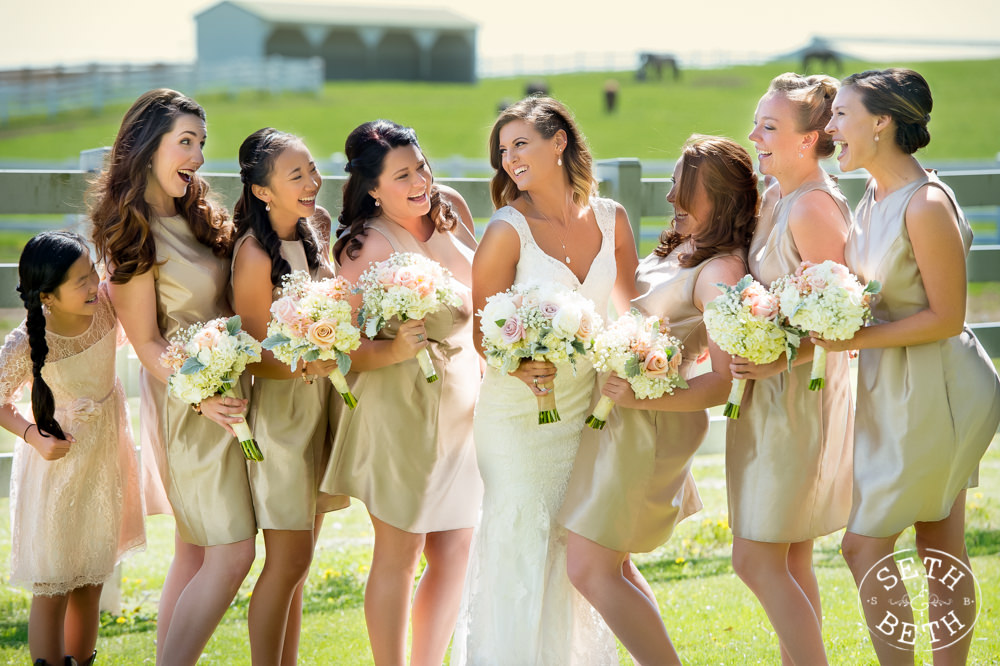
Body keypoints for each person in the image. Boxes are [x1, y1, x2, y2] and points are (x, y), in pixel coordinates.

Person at [820, 68, 1000, 664]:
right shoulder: (872, 196)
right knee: (939, 541)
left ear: (882, 122)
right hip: (896, 387)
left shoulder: (924, 205)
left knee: (863, 546)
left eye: (841, 114)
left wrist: (853, 336)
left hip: (940, 390)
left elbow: (948, 318)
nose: (831, 127)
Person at [559, 135, 757, 666]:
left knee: (589, 568)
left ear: (719, 197)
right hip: (624, 415)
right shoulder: (679, 247)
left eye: (683, 188)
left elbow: (721, 381)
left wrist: (642, 399)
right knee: (608, 564)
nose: (671, 199)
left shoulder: (720, 273)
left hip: (654, 424)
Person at [454, 96, 638, 665]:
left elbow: (631, 311)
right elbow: (485, 330)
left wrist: (637, 362)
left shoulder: (613, 219)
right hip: (517, 416)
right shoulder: (508, 229)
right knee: (519, 536)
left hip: (588, 408)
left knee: (577, 546)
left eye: (521, 144)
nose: (509, 159)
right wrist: (520, 361)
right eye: (503, 151)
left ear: (559, 141)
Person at [89, 89, 256, 665]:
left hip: (230, 395)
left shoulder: (196, 215)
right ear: (144, 147)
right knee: (232, 552)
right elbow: (147, 342)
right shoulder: (131, 232)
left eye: (201, 144)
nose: (199, 156)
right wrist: (203, 396)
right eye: (185, 142)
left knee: (194, 549)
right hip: (191, 406)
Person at [320, 119, 482, 666]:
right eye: (403, 175)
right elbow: (336, 350)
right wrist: (390, 350)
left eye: (422, 167)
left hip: (465, 403)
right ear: (372, 188)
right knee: (401, 549)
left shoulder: (450, 207)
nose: (421, 182)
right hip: (399, 412)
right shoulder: (362, 247)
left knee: (456, 547)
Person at [725, 73, 855, 665]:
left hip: (799, 398)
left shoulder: (813, 209)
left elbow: (839, 326)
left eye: (769, 127)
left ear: (810, 139)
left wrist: (777, 356)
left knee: (753, 558)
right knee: (790, 556)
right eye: (757, 123)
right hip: (767, 393)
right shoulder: (775, 195)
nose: (754, 135)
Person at [230, 128, 349, 665]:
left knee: (301, 565)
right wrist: (306, 361)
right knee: (286, 562)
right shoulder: (254, 255)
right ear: (262, 190)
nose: (312, 182)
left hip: (320, 407)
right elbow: (253, 353)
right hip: (280, 417)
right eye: (296, 174)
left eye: (312, 170)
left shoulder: (313, 234)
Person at [0, 232, 144, 666]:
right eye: (80, 280)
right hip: (56, 467)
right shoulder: (26, 342)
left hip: (103, 461)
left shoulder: (104, 311)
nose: (93, 285)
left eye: (92, 273)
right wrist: (31, 436)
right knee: (54, 581)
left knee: (91, 577)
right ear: (47, 294)